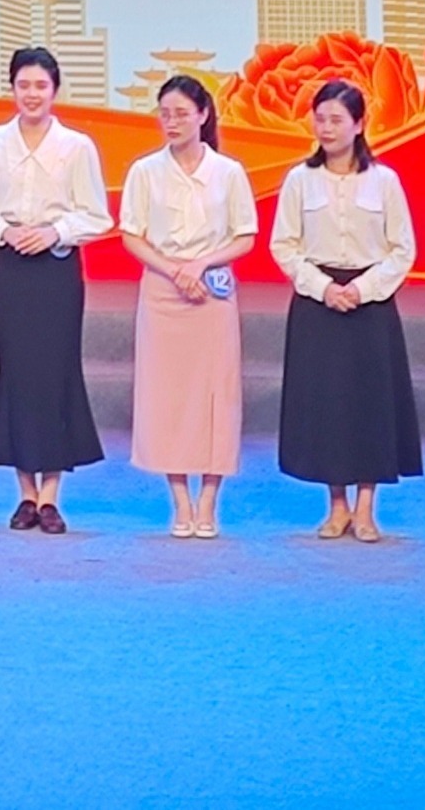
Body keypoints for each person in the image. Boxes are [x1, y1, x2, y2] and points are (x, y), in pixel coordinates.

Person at [0, 46, 110, 534]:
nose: (32, 94)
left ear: (55, 90)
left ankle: (51, 497)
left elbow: (97, 215)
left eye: (41, 85)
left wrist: (54, 232)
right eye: (23, 85)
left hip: (57, 269)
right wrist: (5, 231)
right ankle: (25, 493)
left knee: (56, 373)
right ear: (12, 89)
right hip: (9, 269)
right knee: (18, 374)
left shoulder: (77, 147)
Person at [270, 80, 423, 542]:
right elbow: (284, 245)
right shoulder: (300, 179)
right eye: (320, 119)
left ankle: (366, 507)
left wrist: (362, 288)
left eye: (337, 119)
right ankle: (336, 506)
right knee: (327, 406)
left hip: (369, 305)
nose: (327, 128)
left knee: (370, 404)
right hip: (317, 305)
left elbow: (402, 249)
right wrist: (323, 288)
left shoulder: (384, 180)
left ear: (359, 124)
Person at [117, 75, 256, 539]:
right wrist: (175, 270)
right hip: (163, 293)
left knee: (216, 395)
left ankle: (209, 502)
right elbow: (132, 234)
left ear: (203, 115)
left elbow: (244, 236)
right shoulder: (144, 171)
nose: (172, 122)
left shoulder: (228, 172)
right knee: (167, 397)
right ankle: (180, 501)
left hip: (212, 293)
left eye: (181, 113)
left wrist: (200, 264)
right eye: (165, 114)